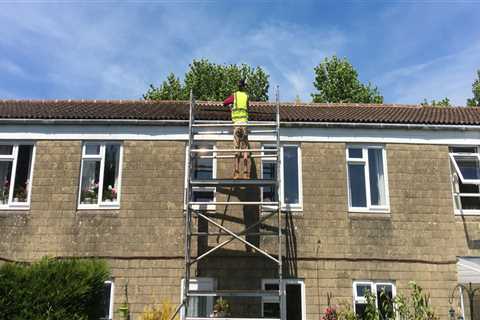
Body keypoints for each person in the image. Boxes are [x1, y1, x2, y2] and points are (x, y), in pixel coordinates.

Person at [223, 79, 250, 179]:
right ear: (244, 87)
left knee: (236, 148)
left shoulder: (234, 95)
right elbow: (247, 108)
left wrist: (231, 107)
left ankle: (236, 172)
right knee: (245, 148)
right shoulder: (246, 96)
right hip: (244, 124)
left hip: (236, 125)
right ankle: (246, 172)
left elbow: (225, 102)